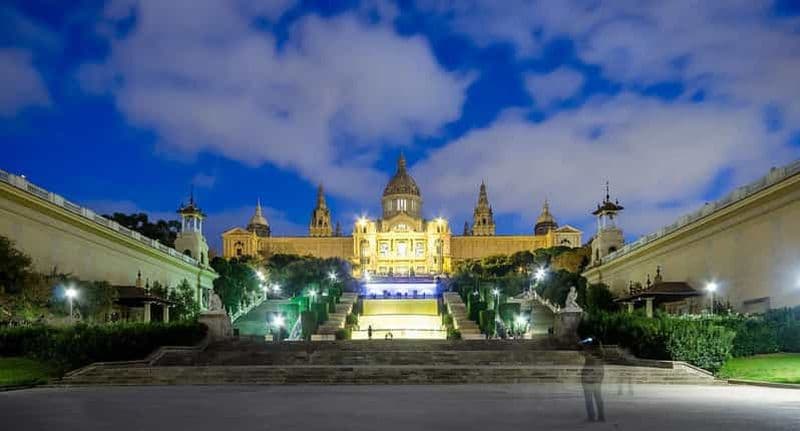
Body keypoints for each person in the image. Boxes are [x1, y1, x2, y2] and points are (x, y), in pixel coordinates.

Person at [580, 337, 606, 422]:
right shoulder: (601, 353)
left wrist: (586, 340)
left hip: (588, 378)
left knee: (589, 399)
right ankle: (601, 416)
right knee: (598, 398)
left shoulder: (588, 353)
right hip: (597, 378)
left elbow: (579, 345)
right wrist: (597, 341)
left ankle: (591, 417)